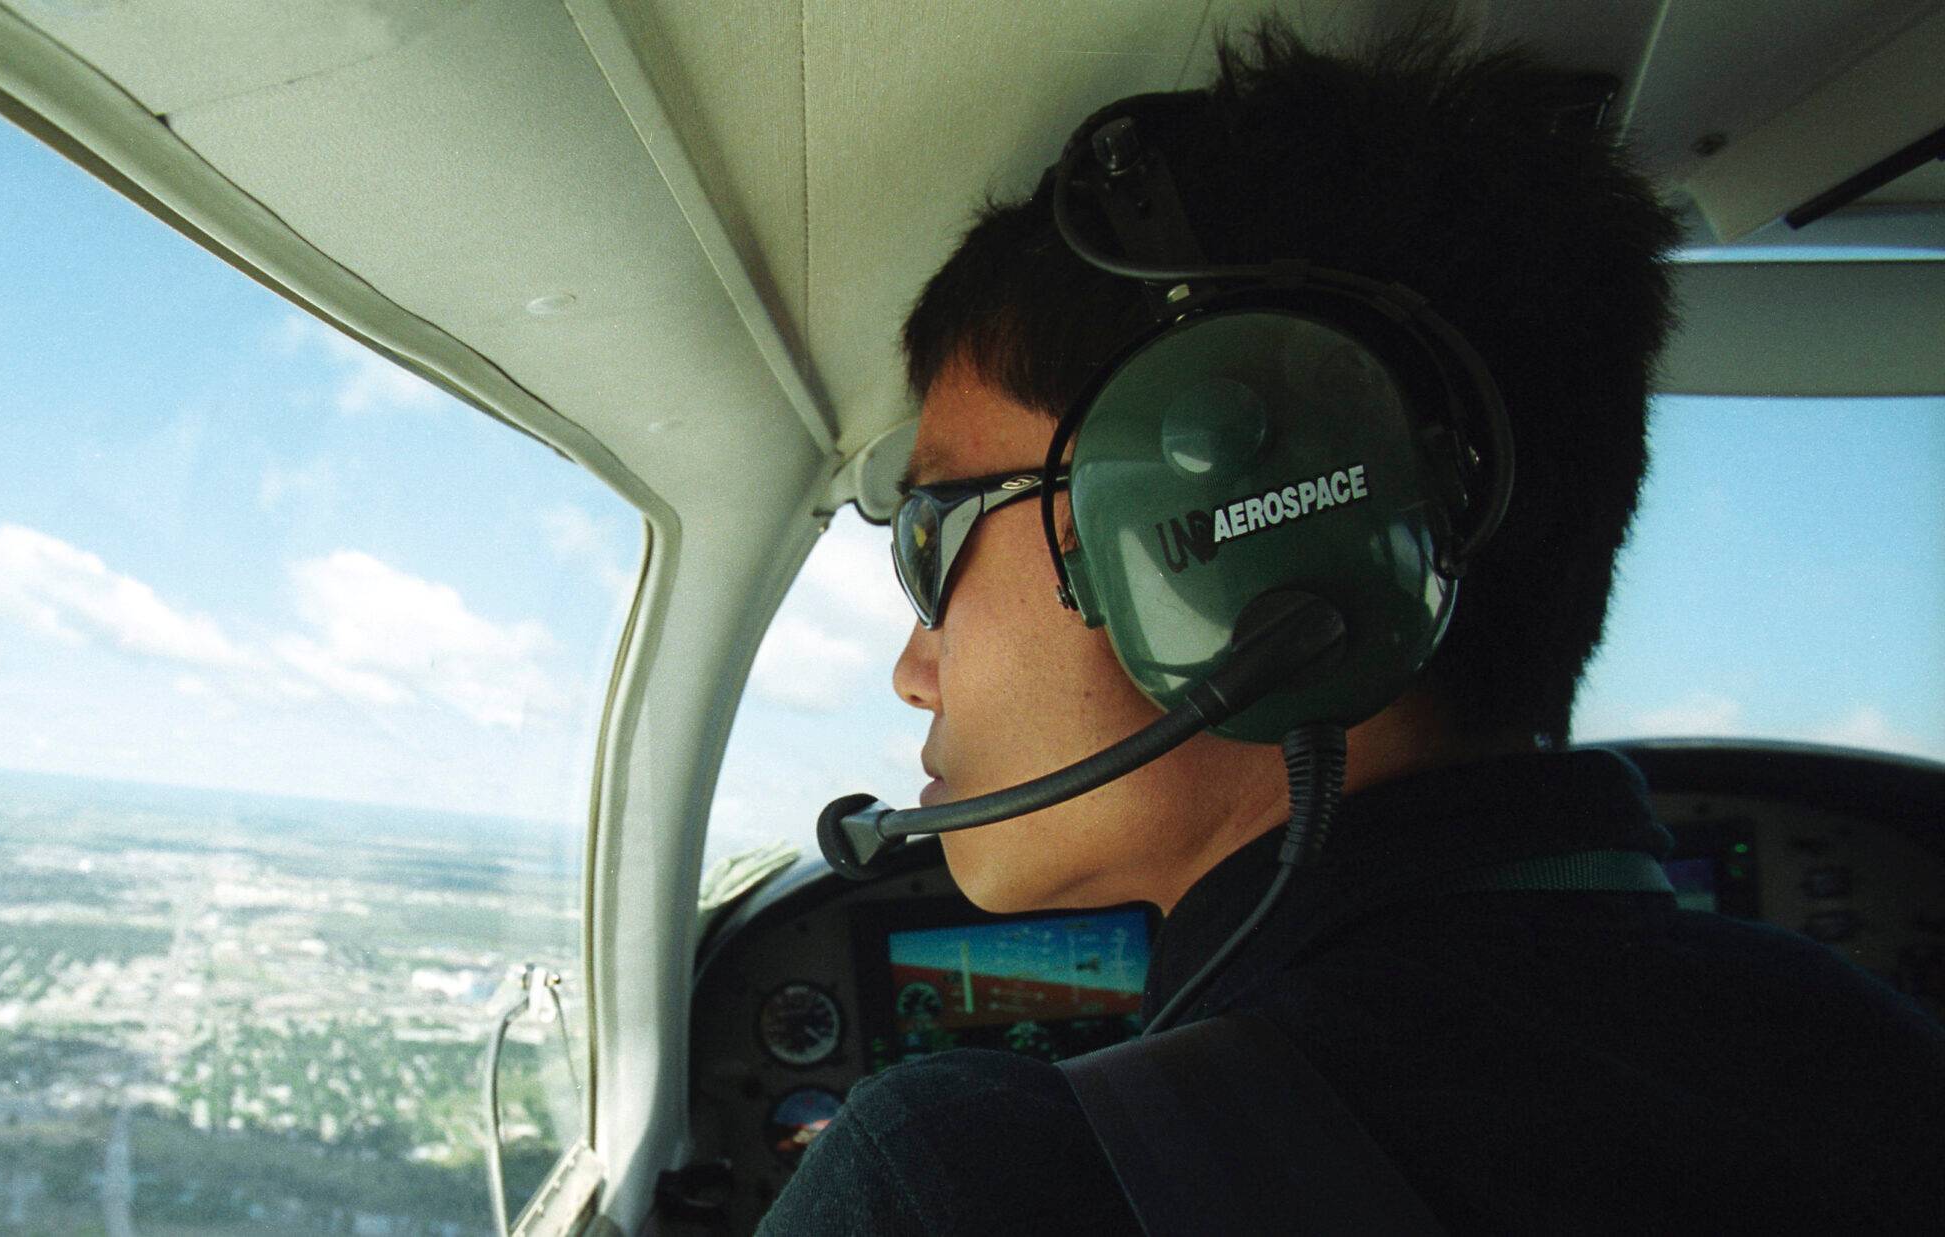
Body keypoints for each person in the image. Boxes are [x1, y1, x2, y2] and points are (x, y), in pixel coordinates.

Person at [759, 16, 1945, 1235]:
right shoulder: (1886, 1065)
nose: (914, 669)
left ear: (1230, 526)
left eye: (936, 534)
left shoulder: (968, 1183)